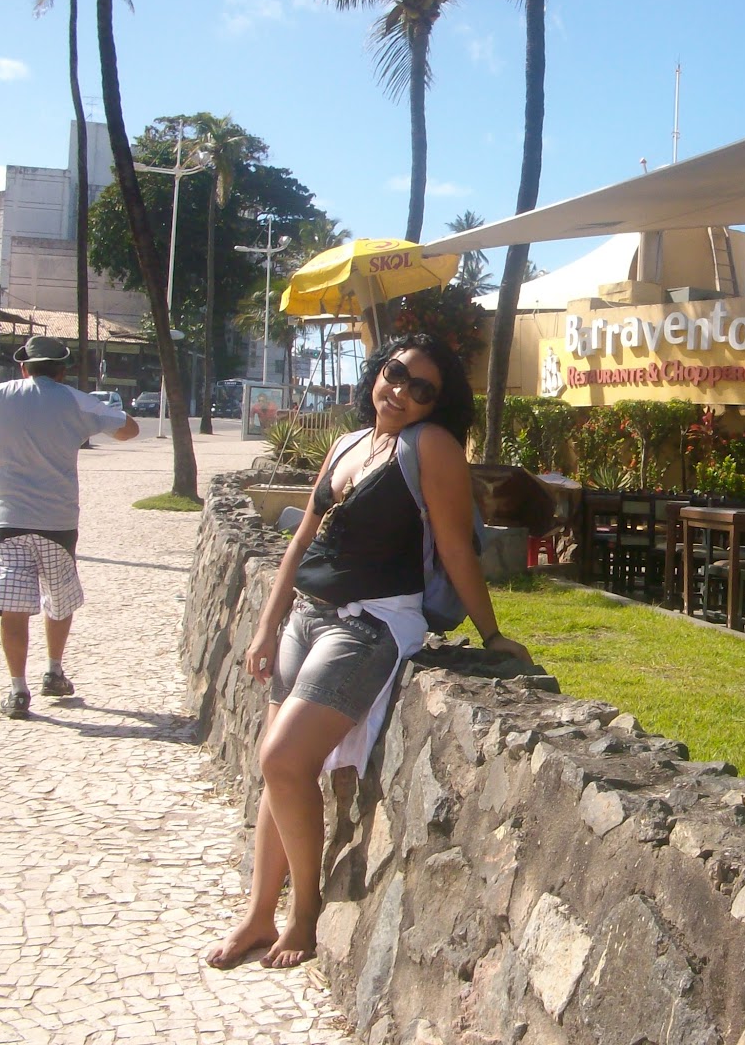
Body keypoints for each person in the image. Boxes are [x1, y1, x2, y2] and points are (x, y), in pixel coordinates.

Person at [206, 333, 532, 970]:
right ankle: (257, 915)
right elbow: (302, 538)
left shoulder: (430, 446)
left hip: (370, 624)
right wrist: (268, 625)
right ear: (378, 371)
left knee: (282, 759)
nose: (402, 392)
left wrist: (492, 634)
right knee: (279, 772)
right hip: (306, 617)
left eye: (422, 390)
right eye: (396, 374)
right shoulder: (348, 443)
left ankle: (303, 915)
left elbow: (455, 547)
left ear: (437, 405)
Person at [0, 335, 140, 719]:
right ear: (62, 370)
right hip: (58, 522)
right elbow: (130, 429)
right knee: (59, 597)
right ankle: (54, 671)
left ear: (24, 368)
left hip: (9, 519)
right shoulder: (76, 400)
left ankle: (17, 690)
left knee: (13, 607)